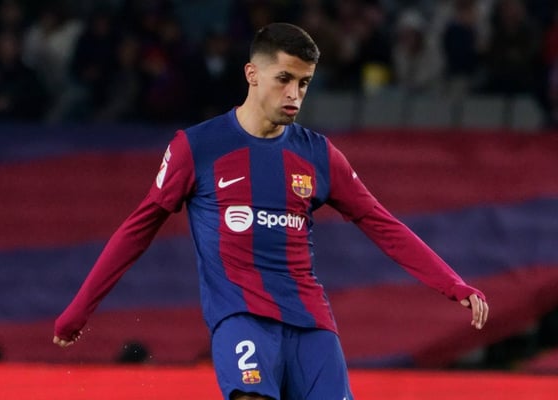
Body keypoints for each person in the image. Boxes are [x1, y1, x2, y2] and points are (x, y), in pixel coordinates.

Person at [53, 22, 489, 400]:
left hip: (311, 325)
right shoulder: (197, 147)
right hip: (241, 318)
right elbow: (137, 230)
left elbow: (382, 224)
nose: (294, 94)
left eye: (304, 83)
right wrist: (80, 308)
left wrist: (452, 283)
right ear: (252, 74)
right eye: (284, 79)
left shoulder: (318, 154)